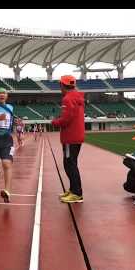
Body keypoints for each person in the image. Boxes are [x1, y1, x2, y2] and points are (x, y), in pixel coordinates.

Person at [52, 75, 85, 204]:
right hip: (75, 136)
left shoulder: (68, 98)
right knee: (71, 163)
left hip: (70, 137)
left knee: (69, 164)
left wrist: (55, 122)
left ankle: (77, 193)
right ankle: (73, 190)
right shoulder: (77, 97)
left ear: (62, 85)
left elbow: (66, 120)